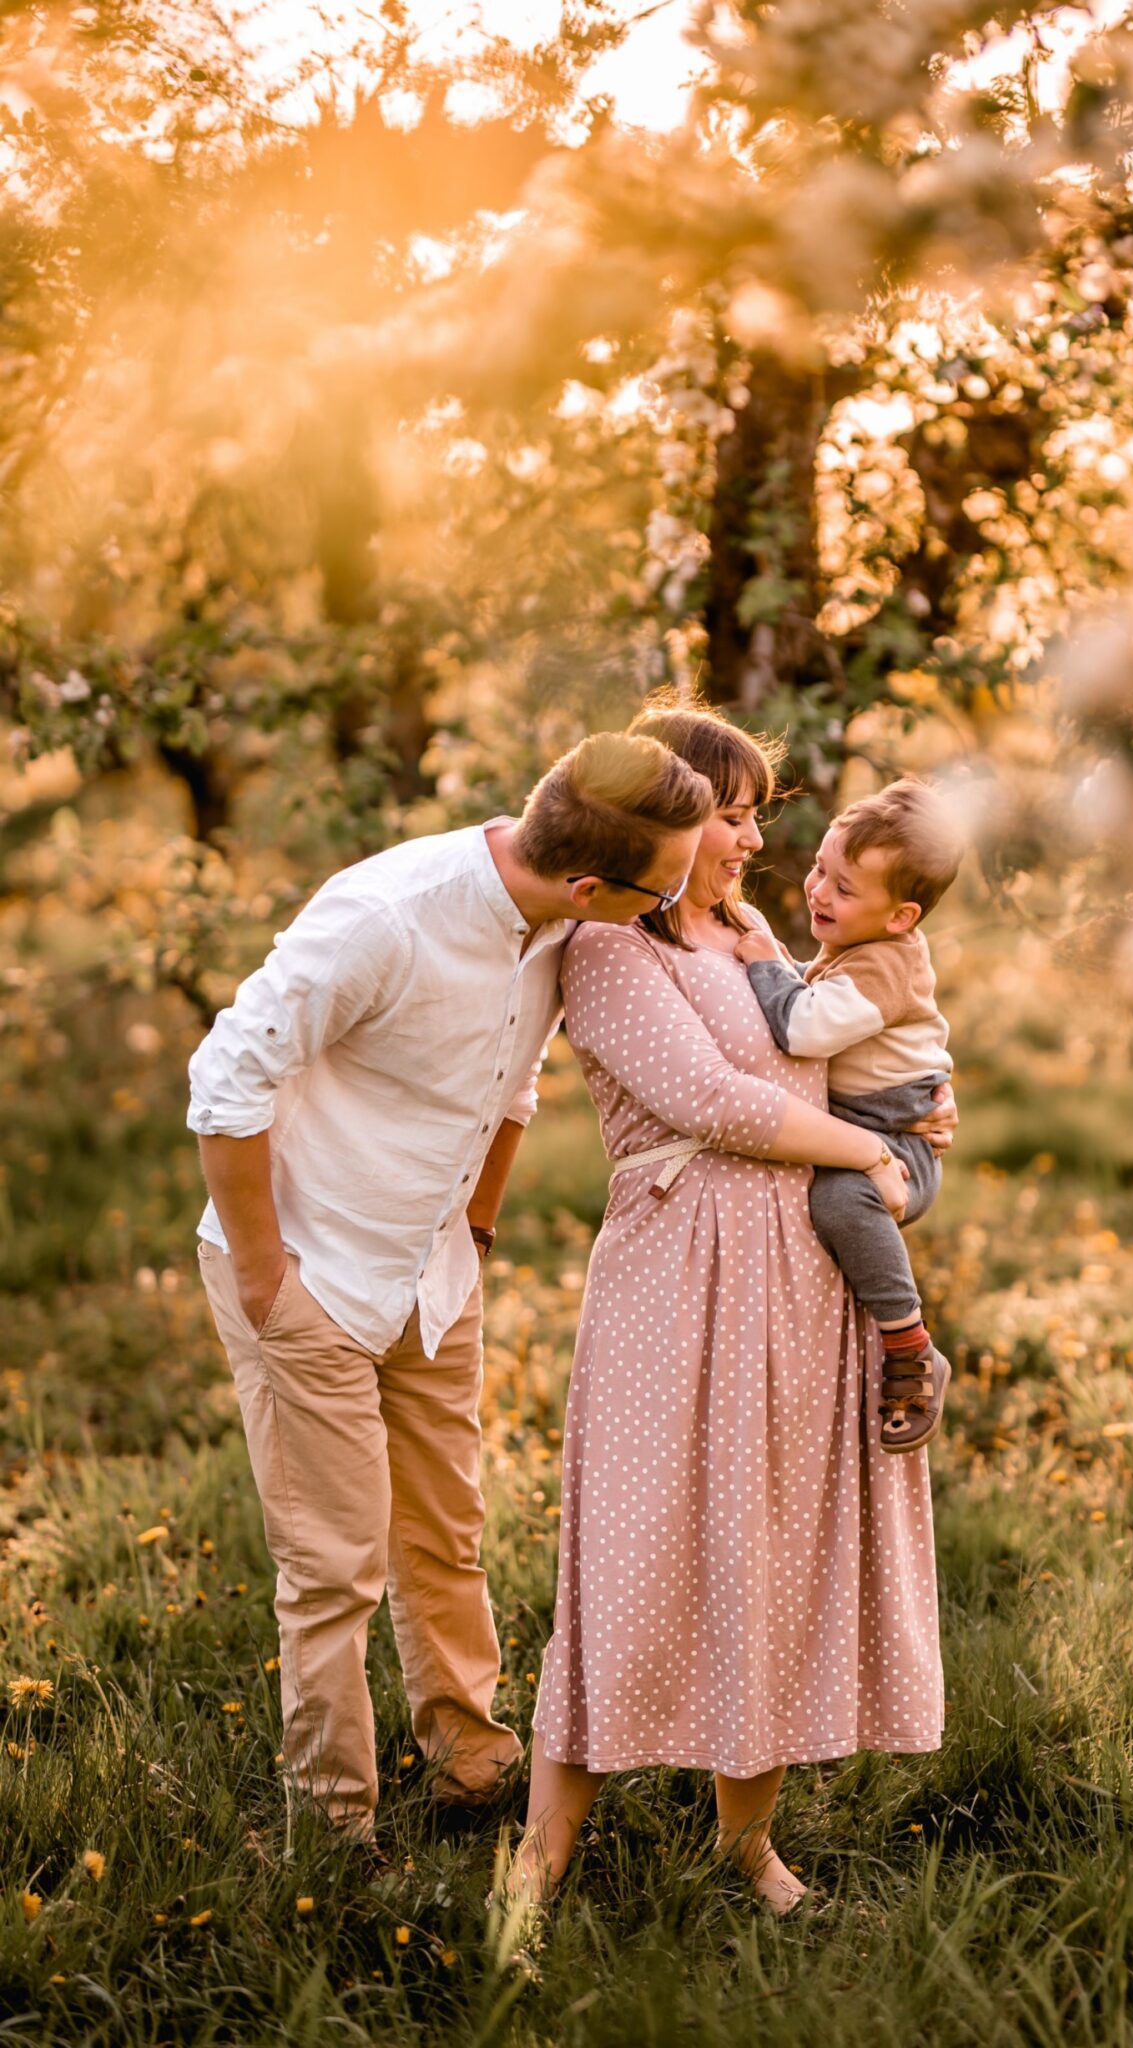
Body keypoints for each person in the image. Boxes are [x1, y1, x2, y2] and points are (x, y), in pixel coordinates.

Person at [186, 731, 713, 1852]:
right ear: (587, 883)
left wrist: (474, 1225)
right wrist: (267, 1275)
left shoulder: (559, 929)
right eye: (657, 888)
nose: (668, 905)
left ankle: (471, 1760)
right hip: (310, 1267)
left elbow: (510, 1083)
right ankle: (332, 1824)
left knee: (446, 1529)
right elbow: (224, 1080)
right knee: (333, 1566)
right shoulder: (386, 917)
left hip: (431, 1270)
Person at [512, 699, 956, 1916]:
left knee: (763, 1551)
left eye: (761, 814)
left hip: (796, 1281)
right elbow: (707, 1099)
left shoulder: (751, 927)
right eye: (737, 813)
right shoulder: (608, 947)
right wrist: (865, 1159)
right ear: (670, 816)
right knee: (633, 1547)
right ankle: (542, 1853)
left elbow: (862, 1032)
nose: (754, 841)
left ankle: (746, 1843)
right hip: (678, 1271)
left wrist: (911, 1111)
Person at [735, 776, 963, 1453]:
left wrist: (761, 963)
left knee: (838, 1200)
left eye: (842, 888)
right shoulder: (857, 950)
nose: (817, 891)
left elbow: (803, 1030)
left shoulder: (882, 970)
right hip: (874, 1124)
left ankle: (909, 1344)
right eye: (818, 869)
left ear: (901, 917)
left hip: (896, 1145)